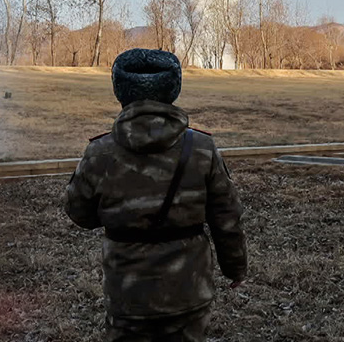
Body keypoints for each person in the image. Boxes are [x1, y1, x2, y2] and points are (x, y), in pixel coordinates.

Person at [65, 48, 247, 342]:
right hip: (188, 290)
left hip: (127, 293)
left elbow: (79, 214)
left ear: (119, 90)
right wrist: (235, 267)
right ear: (174, 88)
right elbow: (227, 218)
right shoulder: (201, 148)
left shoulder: (99, 152)